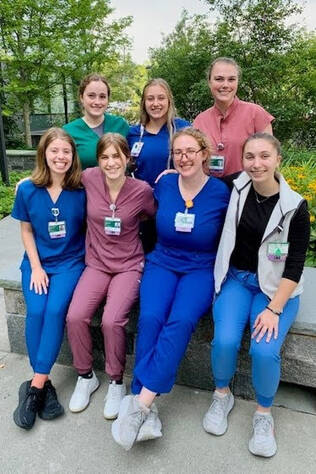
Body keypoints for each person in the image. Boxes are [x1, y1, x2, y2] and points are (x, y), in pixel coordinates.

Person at [111, 127, 230, 450]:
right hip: (162, 262)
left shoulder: (222, 191)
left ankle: (141, 402)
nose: (184, 157)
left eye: (191, 151)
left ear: (204, 154)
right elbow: (124, 189)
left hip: (200, 268)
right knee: (150, 317)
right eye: (178, 152)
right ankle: (145, 408)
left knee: (180, 321)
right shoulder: (163, 183)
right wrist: (38, 182)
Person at [203, 133, 310, 457]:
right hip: (236, 280)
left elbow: (294, 266)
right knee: (224, 341)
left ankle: (264, 414)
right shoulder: (235, 186)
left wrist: (274, 309)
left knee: (264, 351)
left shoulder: (296, 207)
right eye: (250, 156)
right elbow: (199, 185)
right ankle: (222, 395)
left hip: (276, 290)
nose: (256, 163)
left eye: (264, 156)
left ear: (278, 158)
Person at [66, 133, 156, 420]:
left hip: (128, 265)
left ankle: (116, 381)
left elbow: (151, 214)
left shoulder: (141, 189)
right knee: (75, 316)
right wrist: (28, 182)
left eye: (116, 156)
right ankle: (85, 375)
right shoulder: (90, 178)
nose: (111, 162)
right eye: (105, 156)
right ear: (99, 160)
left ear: (127, 158)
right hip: (96, 263)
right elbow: (57, 176)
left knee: (111, 320)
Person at [11, 128, 86, 430]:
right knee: (37, 311)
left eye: (66, 152)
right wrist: (36, 266)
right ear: (44, 153)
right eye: (54, 151)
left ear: (72, 156)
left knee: (55, 311)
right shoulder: (27, 189)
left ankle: (35, 387)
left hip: (70, 262)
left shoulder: (81, 189)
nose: (60, 157)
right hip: (37, 263)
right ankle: (45, 382)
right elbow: (26, 230)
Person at [128, 78, 190, 252]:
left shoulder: (183, 129)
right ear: (144, 103)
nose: (156, 103)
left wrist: (177, 171)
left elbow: (199, 162)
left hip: (174, 202)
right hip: (143, 207)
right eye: (150, 99)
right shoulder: (133, 133)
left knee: (172, 251)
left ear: (169, 100)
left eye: (161, 98)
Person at [193, 57, 274, 177]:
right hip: (211, 190)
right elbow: (194, 160)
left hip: (247, 189)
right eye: (219, 79)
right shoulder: (200, 121)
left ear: (237, 82)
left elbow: (269, 159)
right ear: (209, 82)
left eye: (231, 79)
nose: (225, 85)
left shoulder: (256, 114)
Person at [63, 73, 129, 169]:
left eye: (102, 96)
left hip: (119, 183)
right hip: (82, 184)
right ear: (81, 97)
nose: (97, 102)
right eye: (91, 96)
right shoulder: (68, 131)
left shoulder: (120, 125)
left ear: (108, 99)